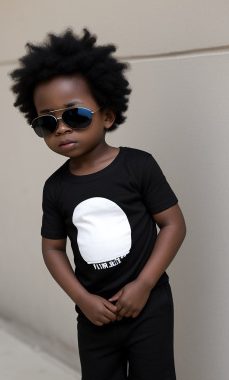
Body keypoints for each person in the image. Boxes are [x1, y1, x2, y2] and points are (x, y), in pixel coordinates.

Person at [10, 28, 186, 380]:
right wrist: (83, 299)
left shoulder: (139, 166)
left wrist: (144, 284)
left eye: (74, 116)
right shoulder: (56, 188)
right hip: (94, 316)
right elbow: (53, 250)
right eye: (47, 122)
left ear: (106, 116)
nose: (61, 129)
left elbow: (173, 225)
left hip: (147, 306)